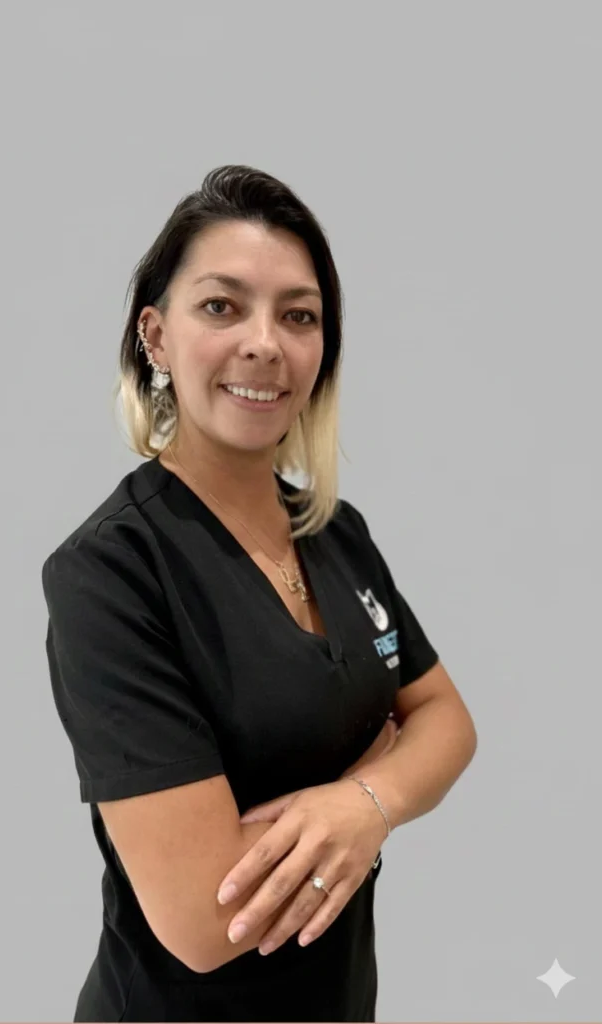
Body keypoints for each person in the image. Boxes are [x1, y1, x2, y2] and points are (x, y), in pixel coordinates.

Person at [41, 164, 477, 1022]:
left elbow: (448, 723)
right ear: (155, 337)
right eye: (220, 306)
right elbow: (206, 917)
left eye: (298, 315)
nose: (264, 343)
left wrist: (364, 801)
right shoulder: (112, 571)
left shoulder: (332, 531)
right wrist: (376, 777)